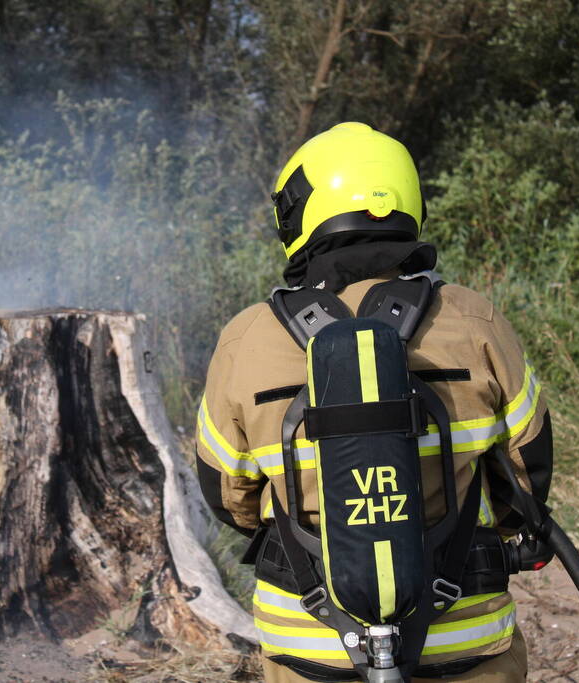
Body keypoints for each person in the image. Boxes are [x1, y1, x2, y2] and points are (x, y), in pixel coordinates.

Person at [195, 122, 552, 682]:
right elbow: (527, 477)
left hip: (308, 647)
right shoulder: (473, 319)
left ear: (300, 215)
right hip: (464, 639)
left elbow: (228, 497)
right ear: (408, 200)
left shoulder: (246, 339)